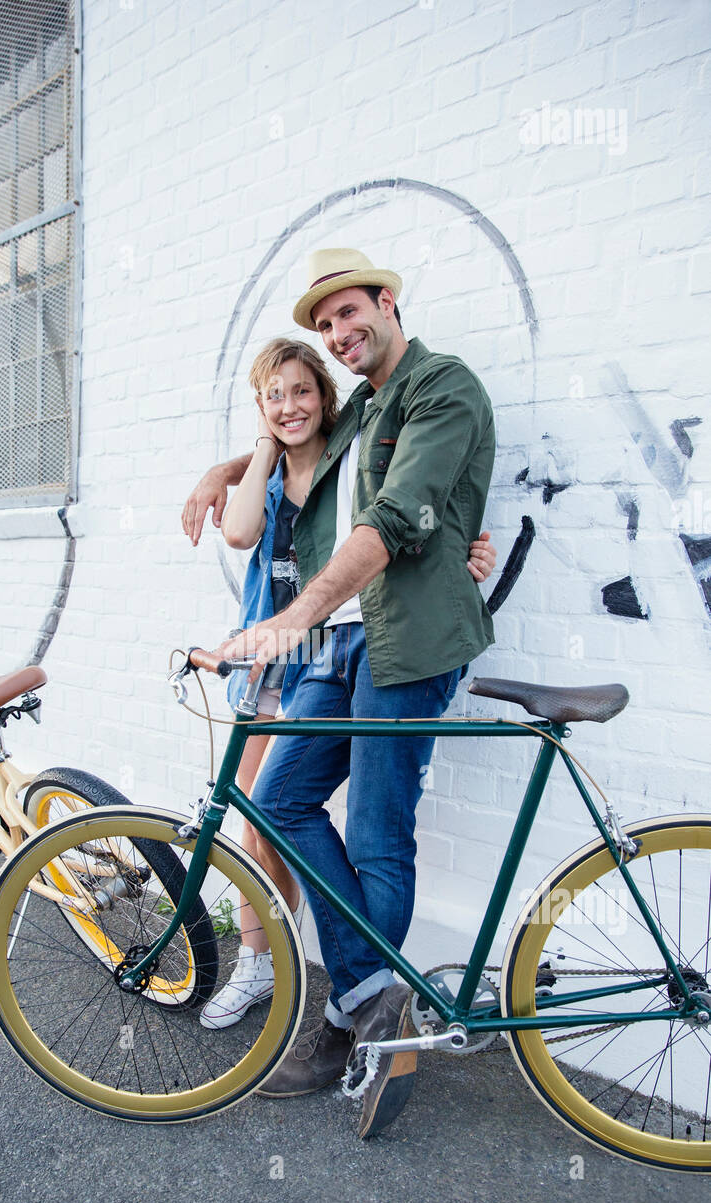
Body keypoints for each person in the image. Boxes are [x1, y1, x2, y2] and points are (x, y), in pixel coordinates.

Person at [184, 249, 496, 1140]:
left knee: (376, 832)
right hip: (338, 642)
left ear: (388, 303)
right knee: (279, 800)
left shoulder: (443, 387)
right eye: (325, 326)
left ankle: (352, 1029)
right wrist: (220, 469)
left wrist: (294, 615)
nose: (338, 334)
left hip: (404, 644)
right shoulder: (362, 403)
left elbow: (396, 518)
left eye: (349, 313)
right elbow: (297, 438)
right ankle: (371, 1004)